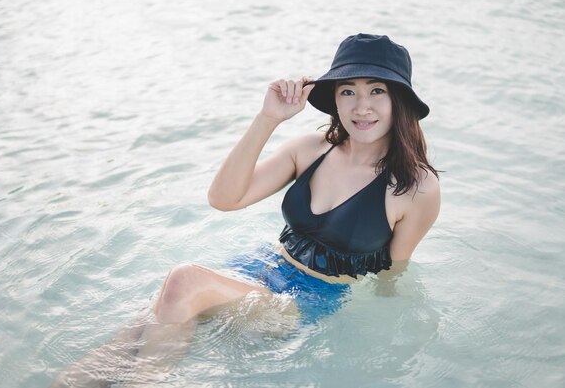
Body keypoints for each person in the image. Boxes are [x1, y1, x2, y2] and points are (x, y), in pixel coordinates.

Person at [51, 33, 440, 387]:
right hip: (256, 267)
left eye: (376, 91)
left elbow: (394, 271)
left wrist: (381, 339)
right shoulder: (310, 149)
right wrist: (268, 119)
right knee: (126, 342)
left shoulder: (415, 187)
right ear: (335, 99)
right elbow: (224, 199)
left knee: (184, 281)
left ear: (399, 100)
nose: (362, 106)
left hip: (305, 302)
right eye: (347, 92)